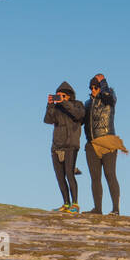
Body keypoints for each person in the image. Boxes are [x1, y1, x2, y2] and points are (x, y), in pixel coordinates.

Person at [83, 73, 122, 215]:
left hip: (107, 141)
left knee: (110, 174)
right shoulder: (87, 104)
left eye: (96, 87)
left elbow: (108, 96)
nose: (93, 89)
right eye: (91, 87)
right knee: (95, 177)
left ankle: (115, 209)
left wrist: (103, 82)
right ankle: (97, 209)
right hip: (91, 144)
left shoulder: (109, 96)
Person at [43, 81, 85, 214]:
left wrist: (64, 102)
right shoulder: (57, 108)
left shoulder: (77, 105)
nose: (58, 97)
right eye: (57, 95)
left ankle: (75, 204)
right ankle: (66, 203)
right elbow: (48, 120)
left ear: (68, 96)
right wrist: (50, 105)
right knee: (60, 177)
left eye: (61, 95)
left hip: (71, 146)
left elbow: (79, 115)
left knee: (69, 174)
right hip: (56, 146)